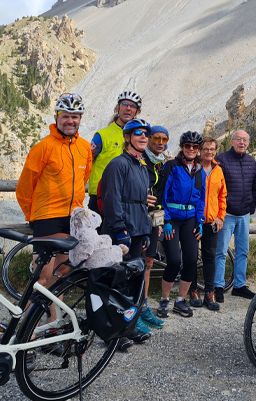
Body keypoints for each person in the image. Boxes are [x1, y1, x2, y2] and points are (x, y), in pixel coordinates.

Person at [16, 92, 91, 306]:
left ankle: (52, 324)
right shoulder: (43, 147)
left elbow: (83, 179)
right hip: (47, 217)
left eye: (75, 116)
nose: (70, 121)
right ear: (56, 117)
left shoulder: (85, 148)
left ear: (80, 119)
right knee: (43, 276)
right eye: (66, 116)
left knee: (62, 274)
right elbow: (25, 186)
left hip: (72, 218)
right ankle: (25, 329)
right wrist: (33, 215)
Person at [99, 118, 156, 343]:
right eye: (137, 133)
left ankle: (128, 327)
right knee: (117, 281)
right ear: (127, 137)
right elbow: (112, 199)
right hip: (121, 231)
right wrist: (121, 230)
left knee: (134, 281)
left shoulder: (141, 166)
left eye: (145, 134)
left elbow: (141, 202)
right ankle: (113, 333)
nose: (143, 137)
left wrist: (143, 234)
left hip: (138, 229)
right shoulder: (118, 164)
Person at [156, 131, 206, 318]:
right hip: (172, 219)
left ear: (198, 149)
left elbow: (201, 199)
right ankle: (164, 300)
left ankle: (180, 301)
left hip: (191, 219)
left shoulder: (200, 171)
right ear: (182, 148)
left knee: (191, 260)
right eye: (187, 146)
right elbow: (162, 194)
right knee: (175, 261)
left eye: (194, 147)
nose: (191, 149)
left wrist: (200, 222)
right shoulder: (172, 166)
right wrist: (166, 220)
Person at [214, 130, 256, 301]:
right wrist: (219, 212)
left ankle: (239, 285)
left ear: (248, 143)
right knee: (221, 251)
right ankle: (218, 285)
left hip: (244, 214)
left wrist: (251, 206)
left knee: (243, 251)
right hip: (227, 214)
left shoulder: (250, 160)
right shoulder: (222, 160)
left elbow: (254, 186)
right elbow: (216, 187)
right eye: (238, 139)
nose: (242, 143)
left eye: (245, 140)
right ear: (231, 142)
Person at [88, 91, 142, 216]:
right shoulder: (102, 135)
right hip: (100, 197)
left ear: (137, 112)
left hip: (127, 197)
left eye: (132, 106)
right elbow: (86, 162)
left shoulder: (139, 137)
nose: (128, 108)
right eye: (124, 104)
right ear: (117, 108)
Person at [189, 136, 226, 311]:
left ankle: (209, 292)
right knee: (191, 257)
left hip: (212, 222)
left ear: (215, 151)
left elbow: (222, 196)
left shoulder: (218, 170)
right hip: (195, 221)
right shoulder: (194, 169)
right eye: (206, 149)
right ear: (200, 151)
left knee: (209, 257)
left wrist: (221, 217)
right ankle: (193, 289)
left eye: (212, 149)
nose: (209, 152)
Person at [139, 125, 169, 330]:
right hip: (137, 218)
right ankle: (132, 311)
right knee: (136, 264)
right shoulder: (141, 161)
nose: (160, 142)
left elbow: (158, 198)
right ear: (149, 139)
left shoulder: (160, 164)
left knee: (148, 262)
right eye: (156, 138)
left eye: (164, 139)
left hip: (152, 219)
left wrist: (159, 225)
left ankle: (144, 307)